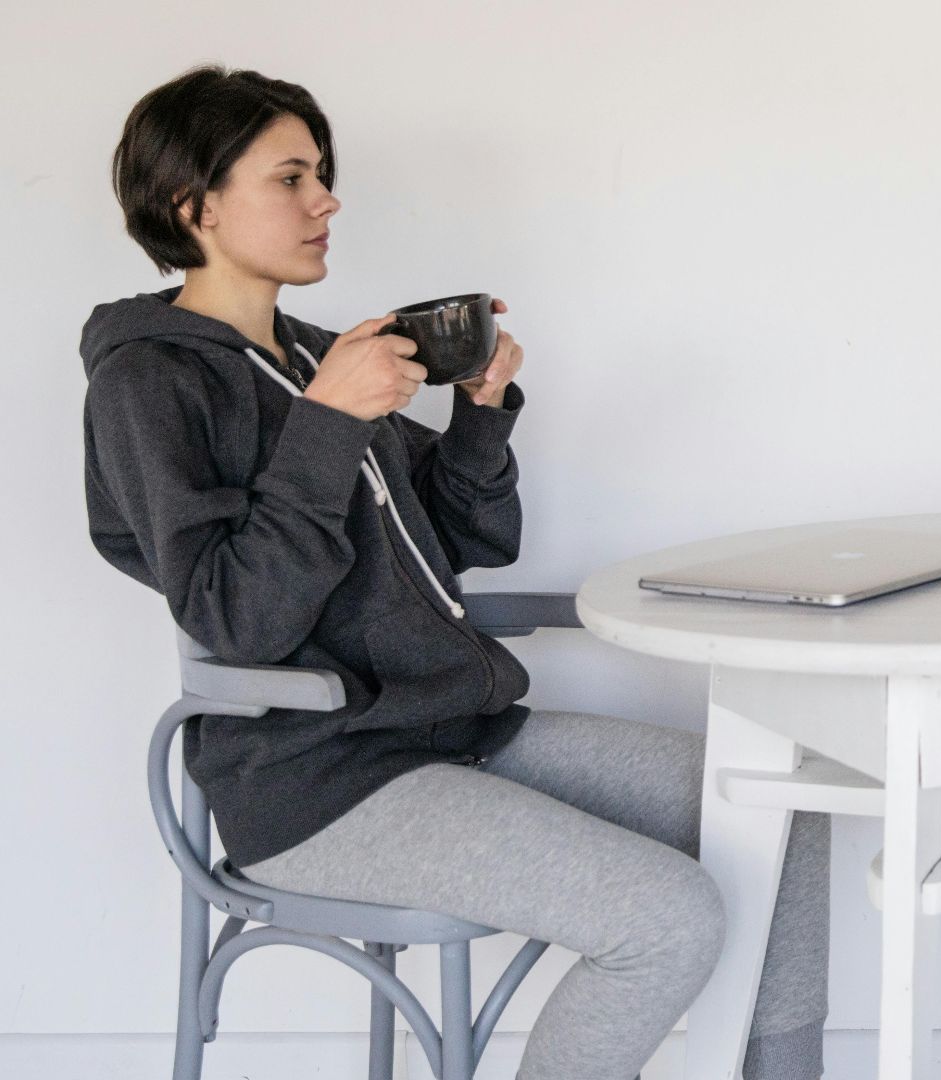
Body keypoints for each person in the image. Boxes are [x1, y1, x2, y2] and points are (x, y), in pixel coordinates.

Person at [82, 66, 828, 1080]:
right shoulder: (149, 380)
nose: (327, 201)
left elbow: (463, 540)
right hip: (318, 781)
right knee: (667, 918)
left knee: (786, 814)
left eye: (323, 175)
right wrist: (331, 423)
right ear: (194, 205)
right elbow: (235, 617)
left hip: (455, 732)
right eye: (291, 177)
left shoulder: (315, 355)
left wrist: (478, 410)